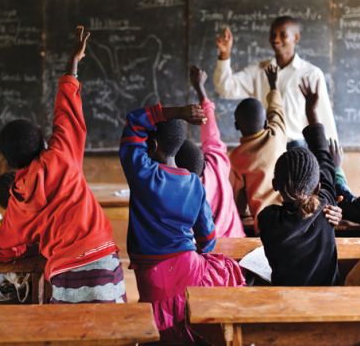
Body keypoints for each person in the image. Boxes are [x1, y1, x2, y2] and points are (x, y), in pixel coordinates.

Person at [0, 26, 126, 304]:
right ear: (43, 142)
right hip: (101, 254)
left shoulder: (19, 196)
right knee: (115, 325)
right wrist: (71, 66)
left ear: (9, 164)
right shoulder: (62, 153)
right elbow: (67, 113)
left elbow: (3, 247)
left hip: (65, 271)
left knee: (73, 329)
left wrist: (9, 254)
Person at [120, 99, 244, 343]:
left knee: (163, 335)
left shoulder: (143, 175)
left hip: (152, 279)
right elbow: (208, 240)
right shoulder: (194, 183)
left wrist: (176, 111)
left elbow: (134, 123)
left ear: (152, 145)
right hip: (190, 270)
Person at [258, 78, 340, 286]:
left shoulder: (267, 219)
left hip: (286, 307)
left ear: (275, 185)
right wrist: (312, 111)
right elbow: (324, 158)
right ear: (319, 186)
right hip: (328, 303)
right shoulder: (326, 207)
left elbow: (324, 163)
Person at [213, 16, 338, 147]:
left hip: (298, 146)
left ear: (296, 37)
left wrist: (330, 161)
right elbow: (225, 88)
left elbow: (324, 117)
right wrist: (224, 55)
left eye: (283, 35)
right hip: (266, 146)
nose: (276, 39)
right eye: (273, 35)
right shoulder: (260, 71)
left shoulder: (311, 74)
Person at [174, 66, 245, 238]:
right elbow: (211, 130)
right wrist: (200, 90)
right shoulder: (217, 163)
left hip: (210, 257)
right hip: (238, 241)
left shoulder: (183, 198)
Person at [228, 64, 286, 232]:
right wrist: (274, 86)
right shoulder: (277, 135)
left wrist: (240, 215)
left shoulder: (236, 157)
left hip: (263, 224)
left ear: (236, 126)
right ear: (266, 123)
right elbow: (276, 110)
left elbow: (239, 198)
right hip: (292, 217)